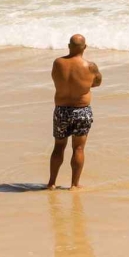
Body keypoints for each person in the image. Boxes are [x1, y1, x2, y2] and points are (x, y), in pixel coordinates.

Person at [47, 34, 102, 190]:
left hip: (61, 110)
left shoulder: (58, 63)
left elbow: (56, 79)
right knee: (78, 148)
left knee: (58, 147)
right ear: (85, 47)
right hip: (81, 111)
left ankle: (51, 183)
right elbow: (97, 83)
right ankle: (74, 185)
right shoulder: (91, 66)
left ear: (69, 46)